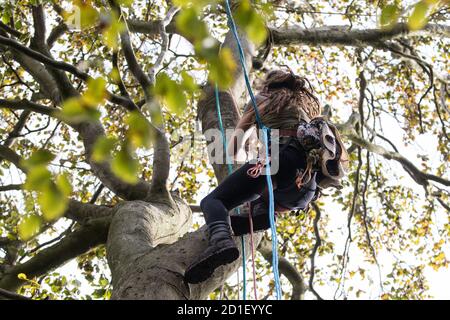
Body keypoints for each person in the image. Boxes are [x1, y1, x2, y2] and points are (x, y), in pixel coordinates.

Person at [184, 70, 348, 284]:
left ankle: (221, 240)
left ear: (269, 85)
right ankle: (259, 212)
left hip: (279, 162)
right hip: (305, 190)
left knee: (213, 201)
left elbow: (234, 150)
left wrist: (248, 130)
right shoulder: (304, 109)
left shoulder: (264, 99)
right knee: (262, 192)